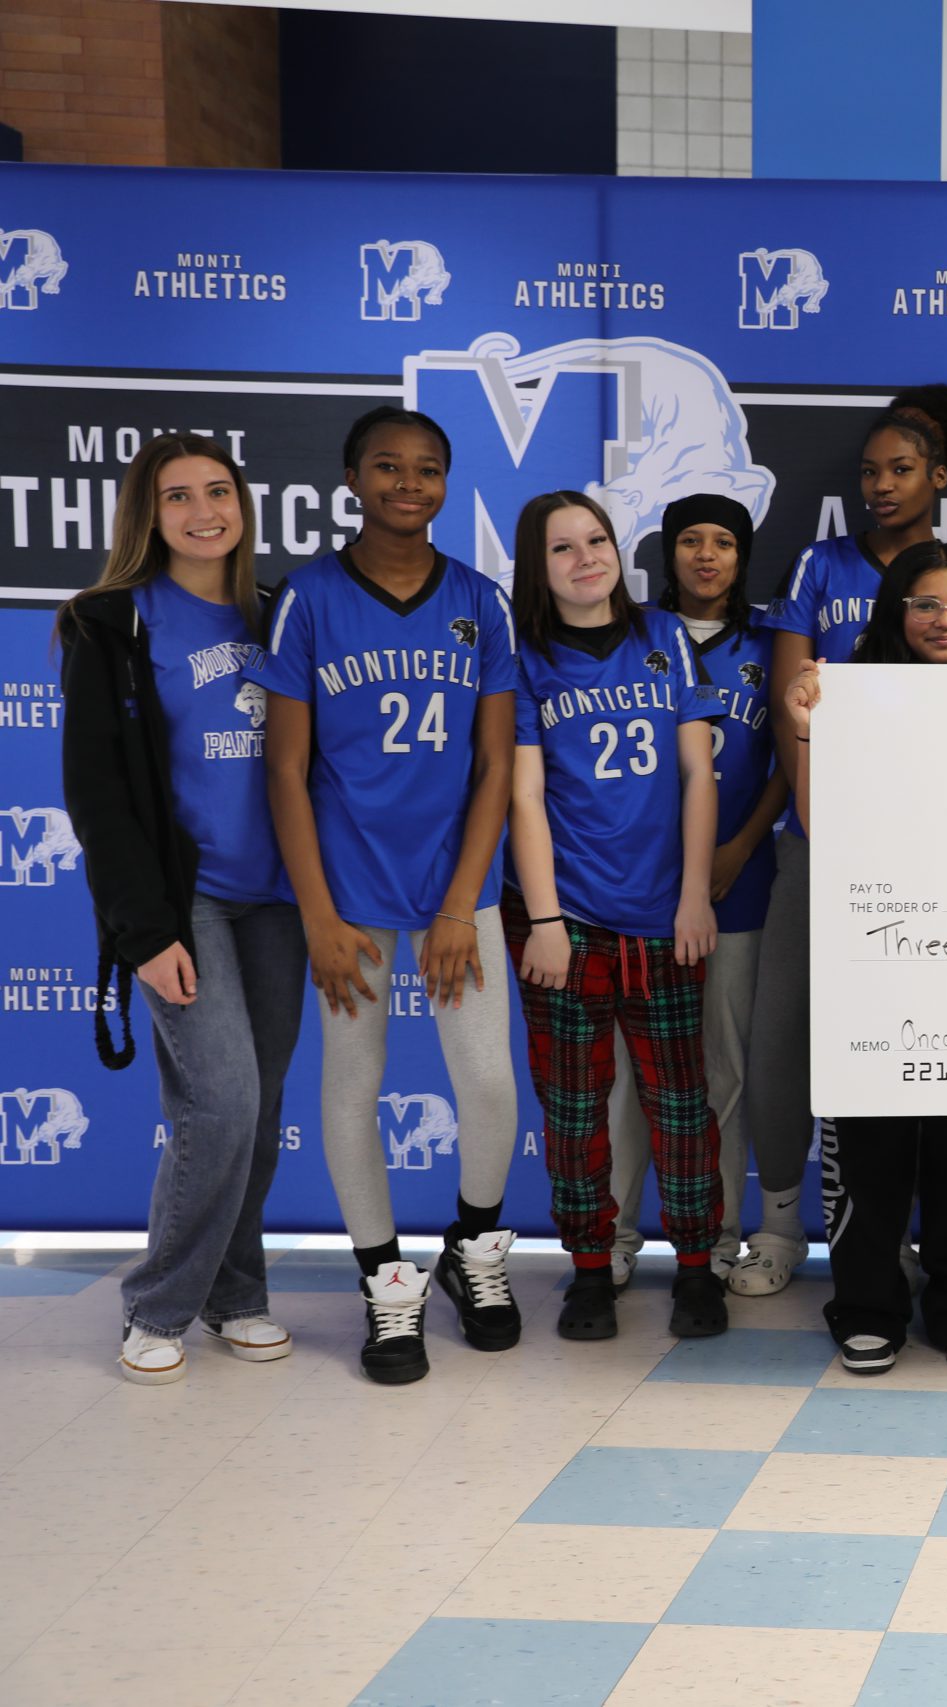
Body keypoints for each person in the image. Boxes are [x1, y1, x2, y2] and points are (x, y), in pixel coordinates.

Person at [253, 406, 522, 1386]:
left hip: (458, 885)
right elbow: (285, 770)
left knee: (489, 1084)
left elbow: (495, 766)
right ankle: (383, 1279)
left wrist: (460, 905)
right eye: (388, 467)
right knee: (351, 1085)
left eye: (428, 469)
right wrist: (317, 914)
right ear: (353, 478)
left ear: (447, 483)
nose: (408, 483)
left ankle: (474, 1247)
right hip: (350, 887)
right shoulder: (310, 598)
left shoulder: (481, 602)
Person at [62, 435, 304, 1385]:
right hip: (185, 899)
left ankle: (236, 1293)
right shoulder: (111, 622)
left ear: (242, 501)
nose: (204, 510)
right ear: (146, 516)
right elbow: (96, 792)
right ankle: (158, 1303)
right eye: (177, 497)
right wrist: (144, 929)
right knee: (223, 1098)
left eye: (218, 490)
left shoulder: (280, 611)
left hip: (281, 899)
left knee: (261, 1104)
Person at [741, 385, 947, 1297]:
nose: (882, 485)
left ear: (939, 477)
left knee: (911, 1043)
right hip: (819, 843)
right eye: (870, 472)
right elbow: (790, 698)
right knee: (786, 1037)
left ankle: (894, 1232)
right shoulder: (819, 565)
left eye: (902, 469)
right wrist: (821, 822)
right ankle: (776, 1222)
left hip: (926, 857)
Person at [503, 491, 729, 1342]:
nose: (587, 557)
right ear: (539, 564)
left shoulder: (663, 636)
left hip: (663, 916)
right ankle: (590, 1268)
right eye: (564, 547)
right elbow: (524, 793)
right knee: (571, 1108)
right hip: (566, 921)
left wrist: (694, 892)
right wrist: (550, 918)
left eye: (597, 539)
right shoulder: (525, 656)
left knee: (681, 1104)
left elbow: (698, 776)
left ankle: (697, 1267)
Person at [819, 542, 947, 1373]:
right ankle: (867, 1298)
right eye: (927, 604)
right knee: (872, 1134)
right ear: (895, 613)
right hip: (873, 945)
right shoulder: (845, 693)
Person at [597, 494, 781, 1288]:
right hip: (634, 886)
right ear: (666, 553)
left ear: (742, 557)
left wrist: (740, 846)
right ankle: (612, 1232)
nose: (707, 556)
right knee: (625, 1072)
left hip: (735, 882)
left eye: (724, 544)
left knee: (721, 1068)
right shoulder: (628, 634)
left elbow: (788, 763)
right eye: (691, 542)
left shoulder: (771, 642)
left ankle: (719, 1232)